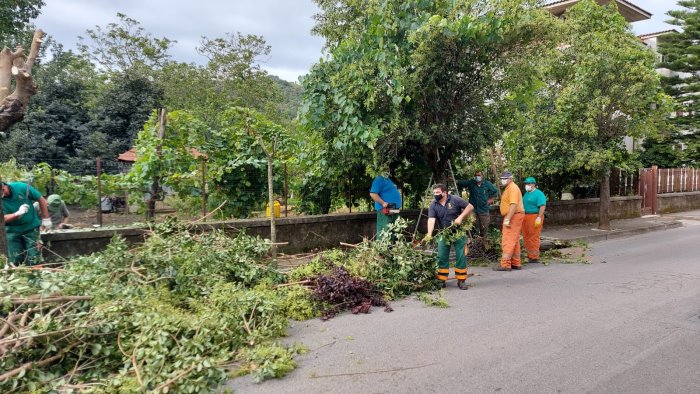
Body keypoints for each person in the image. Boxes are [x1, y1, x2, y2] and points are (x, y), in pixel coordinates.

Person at [424, 183, 475, 290]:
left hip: (459, 232)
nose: (435, 195)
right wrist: (429, 233)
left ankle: (461, 280)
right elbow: (431, 219)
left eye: (437, 192)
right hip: (444, 233)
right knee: (442, 256)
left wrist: (460, 217)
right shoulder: (433, 205)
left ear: (444, 193)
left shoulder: (455, 200)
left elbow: (470, 206)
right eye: (434, 193)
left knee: (460, 256)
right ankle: (441, 280)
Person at [2, 181, 51, 265]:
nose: (3, 194)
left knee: (35, 256)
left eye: (3, 190)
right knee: (15, 258)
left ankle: (37, 275)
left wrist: (46, 219)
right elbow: (2, 219)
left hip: (31, 228)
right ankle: (17, 275)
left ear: (4, 186)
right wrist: (17, 214)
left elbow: (41, 199)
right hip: (12, 230)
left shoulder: (21, 187)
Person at [495, 171, 525, 271]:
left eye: (505, 178)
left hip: (513, 216)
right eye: (502, 178)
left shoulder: (512, 188)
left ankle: (505, 264)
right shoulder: (510, 188)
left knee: (508, 239)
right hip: (515, 215)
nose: (503, 180)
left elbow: (513, 204)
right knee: (514, 239)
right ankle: (516, 263)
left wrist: (508, 218)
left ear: (511, 179)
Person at [457, 170, 498, 237]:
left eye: (479, 175)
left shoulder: (487, 184)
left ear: (482, 176)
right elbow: (463, 183)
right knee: (471, 224)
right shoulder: (471, 183)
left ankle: (483, 239)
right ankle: (472, 238)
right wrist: (455, 181)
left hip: (483, 209)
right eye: (476, 175)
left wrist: (491, 199)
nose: (477, 177)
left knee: (484, 225)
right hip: (473, 208)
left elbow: (495, 191)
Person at [369, 174, 402, 240]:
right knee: (386, 228)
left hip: (394, 208)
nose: (387, 167)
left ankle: (392, 247)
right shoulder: (379, 179)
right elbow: (372, 194)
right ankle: (383, 247)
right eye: (385, 165)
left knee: (394, 228)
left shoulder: (388, 179)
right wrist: (383, 203)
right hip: (385, 208)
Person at [522, 177, 546, 264]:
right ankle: (529, 255)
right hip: (526, 217)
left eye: (528, 184)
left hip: (534, 216)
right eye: (526, 184)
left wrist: (539, 217)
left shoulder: (539, 194)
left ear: (533, 184)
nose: (526, 185)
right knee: (526, 236)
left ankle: (534, 257)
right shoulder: (527, 194)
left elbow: (542, 206)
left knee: (534, 237)